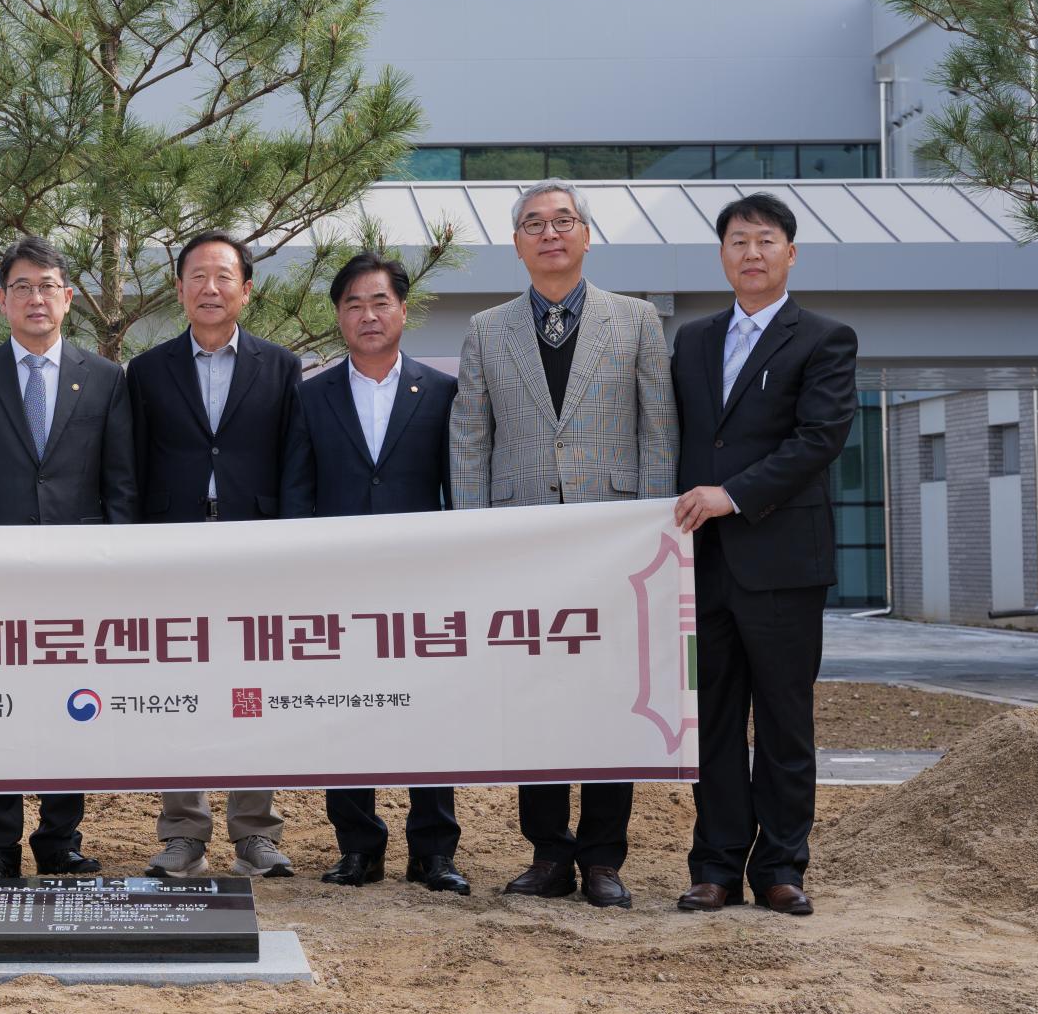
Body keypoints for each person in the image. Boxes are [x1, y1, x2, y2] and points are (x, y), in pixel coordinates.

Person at [448, 179, 677, 910]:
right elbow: (470, 436)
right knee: (535, 698)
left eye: (563, 221)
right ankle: (548, 851)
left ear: (585, 235)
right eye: (534, 224)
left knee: (612, 695)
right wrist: (477, 535)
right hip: (521, 544)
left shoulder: (636, 319)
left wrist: (650, 533)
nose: (550, 233)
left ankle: (604, 856)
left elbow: (658, 430)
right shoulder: (486, 329)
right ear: (516, 243)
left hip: (614, 543)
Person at [671, 193, 857, 918]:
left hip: (782, 561)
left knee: (784, 722)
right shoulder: (692, 339)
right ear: (722, 255)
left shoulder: (825, 339)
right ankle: (715, 865)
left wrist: (733, 495)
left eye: (766, 240)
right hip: (701, 562)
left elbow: (818, 440)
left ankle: (780, 866)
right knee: (712, 721)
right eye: (738, 241)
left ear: (791, 253)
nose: (752, 252)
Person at [0, 234, 137, 879]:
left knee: (71, 702)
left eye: (47, 286)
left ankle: (59, 839)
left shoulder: (105, 378)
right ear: (2, 301)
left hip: (78, 574)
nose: (35, 299)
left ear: (69, 297)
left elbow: (120, 484)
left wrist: (114, 562)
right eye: (21, 287)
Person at [280, 251, 469, 895]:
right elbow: (298, 491)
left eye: (380, 302)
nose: (367, 315)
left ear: (403, 311)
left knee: (430, 714)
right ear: (338, 316)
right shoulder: (311, 395)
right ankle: (358, 846)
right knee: (347, 712)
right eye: (353, 304)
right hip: (338, 585)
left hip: (423, 584)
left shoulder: (441, 391)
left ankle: (434, 850)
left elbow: (458, 488)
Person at [127, 230, 301, 880]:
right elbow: (132, 466)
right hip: (172, 548)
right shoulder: (147, 371)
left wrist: (289, 542)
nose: (210, 288)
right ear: (179, 289)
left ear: (246, 290)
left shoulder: (280, 367)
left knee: (252, 688)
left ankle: (255, 832)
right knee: (179, 688)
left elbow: (293, 461)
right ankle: (183, 831)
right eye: (197, 276)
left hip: (254, 548)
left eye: (224, 276)